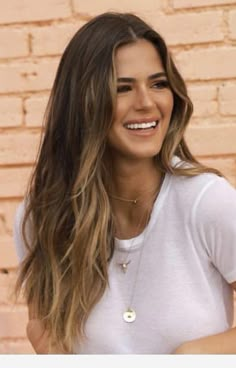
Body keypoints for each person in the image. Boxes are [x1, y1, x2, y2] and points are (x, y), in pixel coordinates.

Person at [13, 12, 236, 354]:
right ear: (83, 102)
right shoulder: (42, 216)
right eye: (122, 88)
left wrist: (193, 356)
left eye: (159, 84)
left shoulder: (207, 201)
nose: (147, 103)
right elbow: (46, 335)